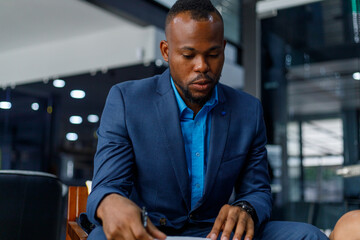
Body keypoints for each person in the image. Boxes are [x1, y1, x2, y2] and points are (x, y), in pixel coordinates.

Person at [86, 0, 329, 239]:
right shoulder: (127, 100)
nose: (202, 66)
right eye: (188, 55)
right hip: (148, 230)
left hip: (218, 232)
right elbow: (107, 185)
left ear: (223, 48)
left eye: (213, 54)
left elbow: (257, 191)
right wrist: (111, 202)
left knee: (308, 235)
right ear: (166, 52)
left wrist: (246, 210)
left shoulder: (248, 110)